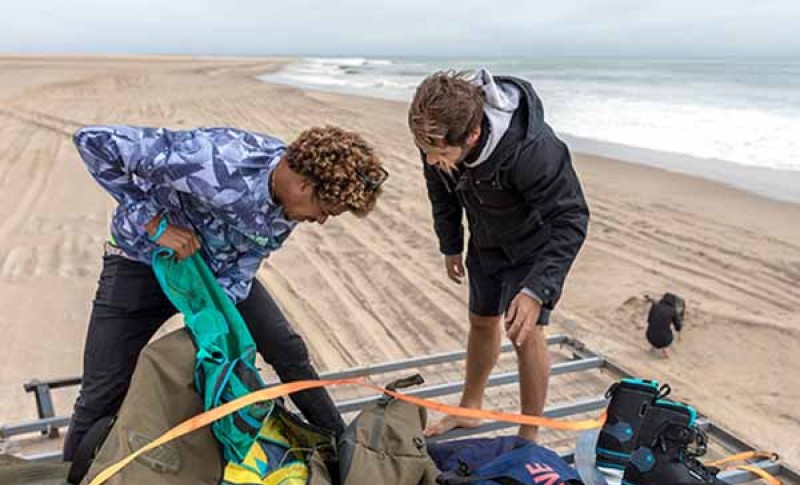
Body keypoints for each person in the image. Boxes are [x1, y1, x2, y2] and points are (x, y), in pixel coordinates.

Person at [63, 124, 387, 462]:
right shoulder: (214, 158)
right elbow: (93, 142)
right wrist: (154, 224)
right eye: (325, 212)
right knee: (102, 390)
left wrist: (217, 322)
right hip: (142, 264)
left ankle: (341, 449)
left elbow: (250, 258)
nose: (320, 221)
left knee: (285, 348)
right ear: (304, 186)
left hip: (215, 277)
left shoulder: (291, 202)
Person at [409, 69, 589, 441]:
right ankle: (470, 409)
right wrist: (451, 243)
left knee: (525, 334)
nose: (430, 160)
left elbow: (571, 219)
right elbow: (439, 190)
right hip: (486, 240)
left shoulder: (534, 151)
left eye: (439, 154)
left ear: (473, 135)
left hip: (533, 248)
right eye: (427, 151)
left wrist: (538, 289)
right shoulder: (436, 130)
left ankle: (529, 435)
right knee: (481, 321)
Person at [646, 292, 685, 357]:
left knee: (657, 327)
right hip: (664, 341)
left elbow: (649, 320)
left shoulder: (655, 305)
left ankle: (653, 346)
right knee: (666, 333)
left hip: (649, 337)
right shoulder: (673, 311)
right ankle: (664, 349)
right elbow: (678, 326)